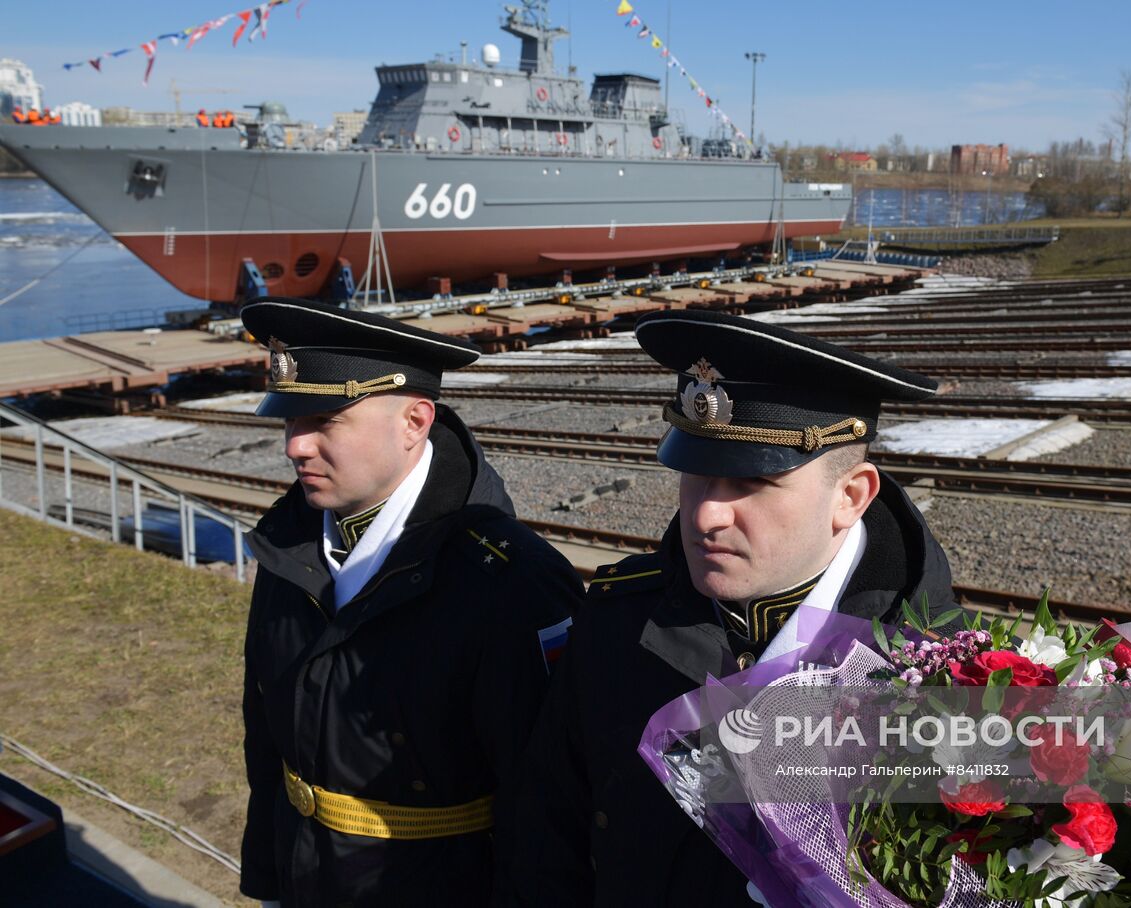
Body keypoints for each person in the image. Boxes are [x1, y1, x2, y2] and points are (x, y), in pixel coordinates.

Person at [515, 309, 965, 906]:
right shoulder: (616, 625)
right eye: (695, 475)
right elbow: (545, 842)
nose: (704, 517)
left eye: (751, 484)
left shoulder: (955, 677)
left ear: (850, 496)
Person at [236, 298, 583, 906]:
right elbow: (266, 734)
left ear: (415, 421)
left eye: (324, 419)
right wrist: (268, 881)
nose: (295, 446)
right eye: (290, 420)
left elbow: (547, 810)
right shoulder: (289, 540)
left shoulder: (509, 583)